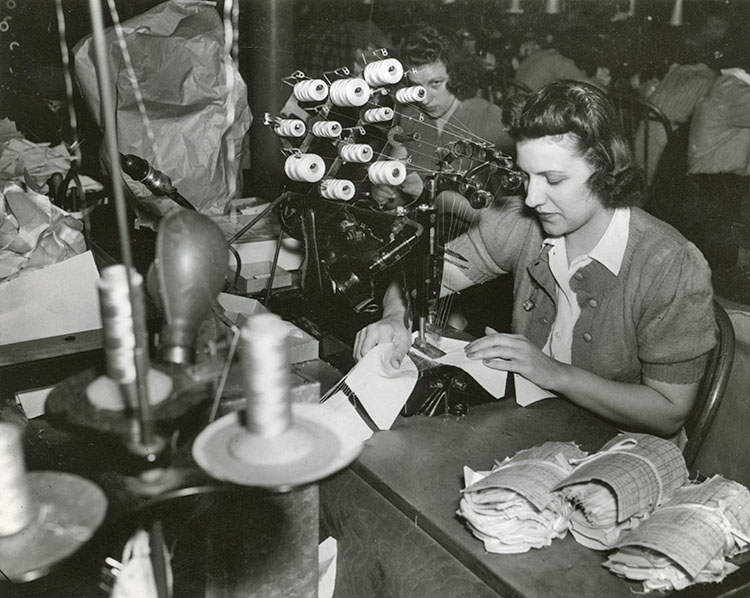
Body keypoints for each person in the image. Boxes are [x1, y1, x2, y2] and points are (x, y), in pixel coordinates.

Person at [354, 80, 717, 439]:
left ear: (606, 169)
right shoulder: (523, 224)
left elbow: (669, 412)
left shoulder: (669, 263)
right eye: (526, 176)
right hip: (536, 425)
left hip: (625, 445)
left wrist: (554, 373)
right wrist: (393, 318)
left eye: (553, 179)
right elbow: (429, 275)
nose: (532, 198)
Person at [372, 25, 514, 230]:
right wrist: (383, 191)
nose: (425, 98)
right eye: (416, 86)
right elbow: (394, 186)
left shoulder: (488, 118)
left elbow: (508, 221)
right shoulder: (410, 115)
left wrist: (433, 195)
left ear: (457, 75)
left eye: (435, 83)